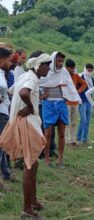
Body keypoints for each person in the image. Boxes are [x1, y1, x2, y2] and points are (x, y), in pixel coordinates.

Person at [7, 50, 51, 219]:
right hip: (27, 124)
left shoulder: (24, 76)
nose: (48, 70)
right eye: (46, 66)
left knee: (34, 164)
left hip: (25, 122)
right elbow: (23, 93)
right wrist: (30, 107)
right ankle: (27, 209)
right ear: (39, 65)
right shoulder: (31, 78)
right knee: (30, 165)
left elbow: (12, 91)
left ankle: (33, 201)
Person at [39, 51, 81, 167]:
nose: (60, 63)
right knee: (48, 133)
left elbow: (70, 87)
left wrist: (71, 96)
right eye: (58, 61)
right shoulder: (47, 72)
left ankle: (60, 159)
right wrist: (41, 96)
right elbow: (38, 83)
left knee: (61, 133)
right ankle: (47, 158)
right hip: (48, 104)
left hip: (61, 104)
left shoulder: (64, 72)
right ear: (53, 60)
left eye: (62, 61)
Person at [65, 59, 86, 146]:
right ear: (66, 68)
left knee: (74, 122)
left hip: (75, 102)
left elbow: (84, 84)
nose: (73, 70)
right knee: (67, 122)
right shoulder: (63, 76)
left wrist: (78, 91)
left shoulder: (75, 76)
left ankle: (73, 139)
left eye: (74, 68)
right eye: (71, 68)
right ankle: (67, 140)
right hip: (66, 102)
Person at [0, 47, 12, 184]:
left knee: (2, 146)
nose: (10, 63)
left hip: (4, 112)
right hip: (1, 113)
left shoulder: (3, 73)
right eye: (9, 60)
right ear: (2, 60)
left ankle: (6, 174)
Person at [77, 63, 94, 144]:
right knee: (83, 120)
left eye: (91, 70)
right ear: (85, 69)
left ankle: (84, 139)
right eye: (88, 70)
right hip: (82, 101)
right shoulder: (80, 77)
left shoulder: (92, 79)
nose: (90, 72)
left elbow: (92, 90)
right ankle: (79, 138)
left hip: (89, 101)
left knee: (88, 121)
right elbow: (76, 88)